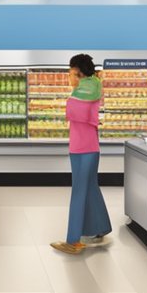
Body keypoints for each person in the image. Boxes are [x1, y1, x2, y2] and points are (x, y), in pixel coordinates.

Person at [52, 54, 112, 255]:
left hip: (83, 149)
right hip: (86, 147)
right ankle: (101, 227)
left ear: (79, 72)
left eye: (71, 72)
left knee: (78, 192)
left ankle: (73, 241)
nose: (70, 77)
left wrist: (73, 90)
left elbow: (71, 111)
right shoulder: (91, 85)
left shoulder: (85, 91)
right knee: (91, 188)